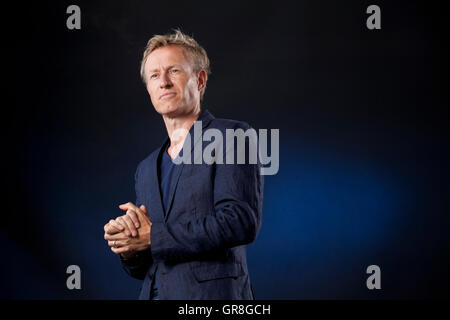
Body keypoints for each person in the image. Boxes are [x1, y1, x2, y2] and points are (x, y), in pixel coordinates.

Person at [103, 29, 264, 299]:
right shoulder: (145, 169)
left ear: (200, 80)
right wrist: (131, 246)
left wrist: (153, 236)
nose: (163, 82)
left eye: (173, 71)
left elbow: (240, 222)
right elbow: (154, 262)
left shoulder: (232, 136)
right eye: (154, 75)